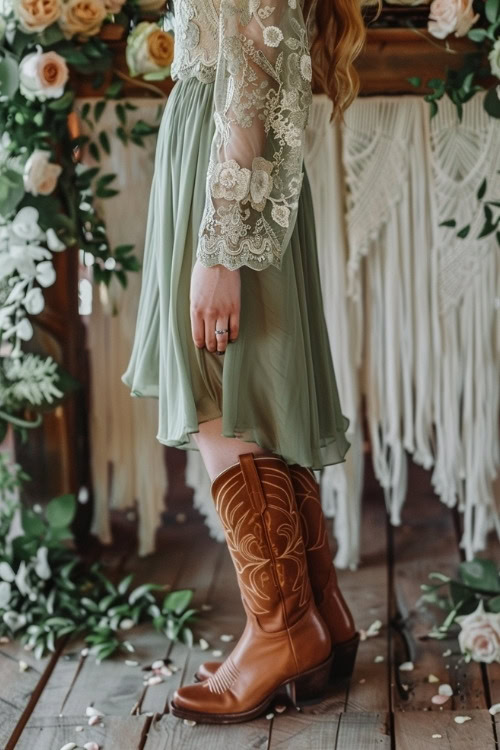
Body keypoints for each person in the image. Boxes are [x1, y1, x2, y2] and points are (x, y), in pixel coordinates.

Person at [122, 0, 367, 725]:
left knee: (223, 400)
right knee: (247, 391)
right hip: (221, 157)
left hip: (226, 172)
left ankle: (283, 632)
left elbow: (257, 65)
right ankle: (317, 615)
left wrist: (221, 245)